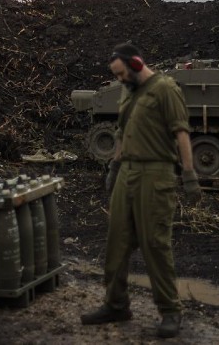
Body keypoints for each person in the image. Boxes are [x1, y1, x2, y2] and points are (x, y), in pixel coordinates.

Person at [80, 43, 202, 339]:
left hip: (156, 173)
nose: (119, 79)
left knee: (154, 244)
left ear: (135, 64)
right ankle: (116, 304)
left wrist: (189, 175)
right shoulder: (128, 91)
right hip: (128, 173)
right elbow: (122, 132)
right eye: (116, 76)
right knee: (116, 241)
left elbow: (181, 132)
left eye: (122, 73)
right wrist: (114, 167)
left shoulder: (165, 89)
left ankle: (170, 311)